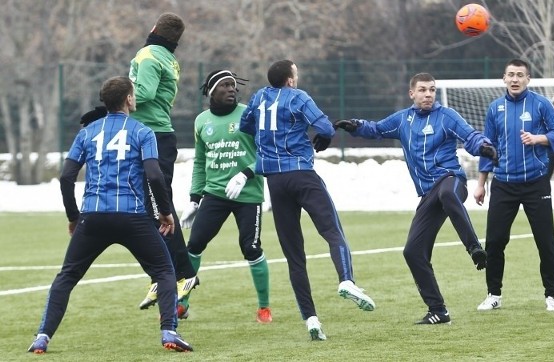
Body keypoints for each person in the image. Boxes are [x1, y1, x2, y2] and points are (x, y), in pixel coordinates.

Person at [27, 76, 193, 354]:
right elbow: (154, 175)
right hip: (133, 217)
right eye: (134, 95)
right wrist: (165, 213)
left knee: (67, 277)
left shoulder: (87, 133)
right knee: (165, 271)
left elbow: (66, 177)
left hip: (93, 217)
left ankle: (43, 337)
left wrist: (73, 216)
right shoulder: (142, 131)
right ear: (129, 99)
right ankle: (169, 332)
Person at [334, 72, 496, 325]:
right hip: (428, 193)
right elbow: (376, 129)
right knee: (412, 252)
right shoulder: (402, 120)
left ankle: (474, 247)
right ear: (412, 93)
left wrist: (484, 146)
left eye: (432, 89)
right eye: (423, 90)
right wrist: (354, 125)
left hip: (452, 181)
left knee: (447, 194)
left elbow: (470, 136)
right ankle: (438, 310)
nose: (428, 94)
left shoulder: (447, 116)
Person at [239, 59, 375, 341]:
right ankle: (347, 281)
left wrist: (269, 141)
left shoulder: (258, 97)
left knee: (294, 255)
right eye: (296, 74)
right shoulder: (297, 97)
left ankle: (311, 319)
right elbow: (325, 128)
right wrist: (320, 136)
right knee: (332, 232)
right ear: (290, 80)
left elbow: (245, 126)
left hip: (275, 182)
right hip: (302, 174)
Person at [474, 59, 554, 312]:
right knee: (494, 242)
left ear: (528, 79)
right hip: (503, 185)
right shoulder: (495, 109)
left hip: (535, 184)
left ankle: (552, 295)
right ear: (503, 78)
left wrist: (539, 138)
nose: (515, 79)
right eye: (511, 75)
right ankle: (493, 294)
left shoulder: (541, 104)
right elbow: (487, 148)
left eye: (520, 75)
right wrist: (481, 184)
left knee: (546, 241)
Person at [177, 70, 271, 323]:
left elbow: (267, 152)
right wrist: (194, 198)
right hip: (215, 194)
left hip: (248, 193)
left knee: (250, 247)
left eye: (233, 86)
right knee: (194, 244)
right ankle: (182, 301)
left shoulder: (249, 114)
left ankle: (264, 307)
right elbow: (199, 162)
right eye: (225, 86)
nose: (232, 89)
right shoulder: (201, 121)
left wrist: (245, 175)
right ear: (211, 92)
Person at [129, 12, 198, 311]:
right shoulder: (169, 59)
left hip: (151, 137)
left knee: (156, 208)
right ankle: (163, 274)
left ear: (154, 29)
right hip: (159, 135)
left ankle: (181, 274)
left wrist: (115, 97)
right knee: (148, 208)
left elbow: (143, 92)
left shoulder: (146, 55)